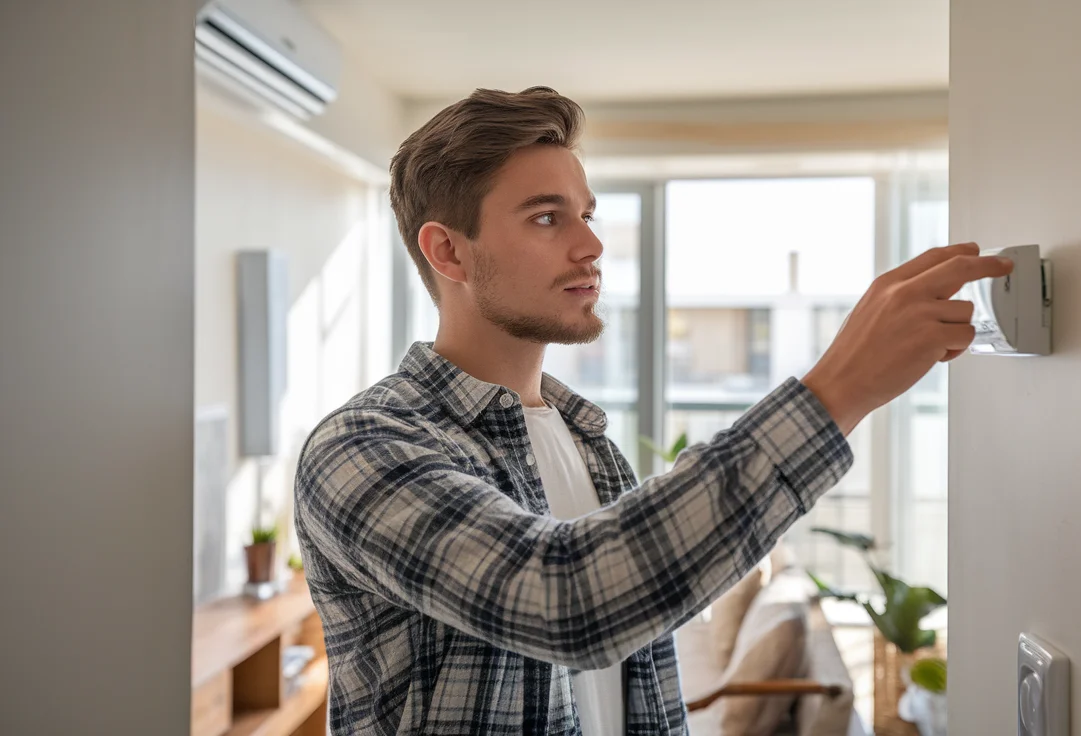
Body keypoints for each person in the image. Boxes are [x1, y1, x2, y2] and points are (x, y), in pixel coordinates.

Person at [293, 86, 1011, 736]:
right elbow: (567, 600)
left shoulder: (590, 443)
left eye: (586, 214)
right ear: (448, 251)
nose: (592, 245)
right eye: (547, 217)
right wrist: (839, 388)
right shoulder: (362, 446)